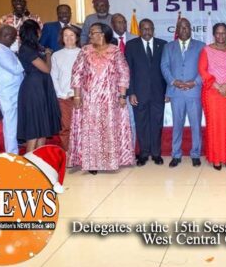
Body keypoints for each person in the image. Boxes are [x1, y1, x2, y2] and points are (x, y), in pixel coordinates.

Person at [69, 22, 134, 174]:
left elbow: (123, 73)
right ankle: (92, 163)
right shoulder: (85, 51)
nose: (90, 35)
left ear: (103, 34)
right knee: (91, 131)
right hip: (89, 98)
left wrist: (122, 95)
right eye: (90, 33)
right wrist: (77, 96)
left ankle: (110, 161)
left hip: (110, 99)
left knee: (108, 129)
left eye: (93, 32)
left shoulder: (115, 51)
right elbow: (77, 73)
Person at [161, 18, 205, 167]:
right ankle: (176, 154)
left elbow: (205, 68)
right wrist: (174, 82)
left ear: (191, 29)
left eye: (187, 27)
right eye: (181, 27)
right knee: (177, 124)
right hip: (176, 92)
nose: (184, 30)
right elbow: (164, 66)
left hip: (194, 92)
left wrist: (195, 82)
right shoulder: (169, 47)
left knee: (196, 125)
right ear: (177, 30)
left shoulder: (201, 46)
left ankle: (196, 154)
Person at [198, 22, 226, 170]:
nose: (221, 36)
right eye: (218, 32)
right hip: (211, 92)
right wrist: (217, 86)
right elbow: (202, 70)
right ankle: (216, 158)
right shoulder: (206, 50)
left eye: (223, 33)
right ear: (214, 34)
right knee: (214, 125)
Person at [125, 18, 167, 167]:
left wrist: (167, 91)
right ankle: (143, 153)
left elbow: (166, 70)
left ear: (154, 29)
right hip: (139, 93)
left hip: (158, 93)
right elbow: (127, 71)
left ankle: (156, 154)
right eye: (144, 28)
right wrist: (131, 92)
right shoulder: (131, 46)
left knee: (157, 123)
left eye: (150, 29)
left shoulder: (163, 45)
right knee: (141, 124)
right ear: (139, 30)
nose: (147, 31)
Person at [16, 20, 61, 152]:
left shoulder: (35, 47)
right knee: (34, 128)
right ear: (34, 32)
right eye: (39, 30)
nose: (41, 32)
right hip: (34, 88)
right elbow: (46, 69)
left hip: (41, 86)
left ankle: (39, 161)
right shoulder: (26, 49)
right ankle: (29, 163)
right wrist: (48, 54)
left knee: (42, 127)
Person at [0, 25, 24, 154]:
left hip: (13, 91)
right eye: (13, 38)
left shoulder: (3, 48)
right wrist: (24, 56)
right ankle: (12, 154)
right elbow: (16, 69)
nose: (14, 41)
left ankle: (13, 151)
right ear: (5, 36)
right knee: (10, 125)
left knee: (13, 124)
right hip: (7, 93)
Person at [51, 25, 81, 152]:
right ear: (62, 38)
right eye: (66, 35)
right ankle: (68, 155)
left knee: (82, 127)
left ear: (77, 37)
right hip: (64, 97)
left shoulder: (83, 53)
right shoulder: (56, 55)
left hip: (81, 96)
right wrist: (61, 93)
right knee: (66, 127)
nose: (69, 38)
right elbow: (54, 77)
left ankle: (83, 155)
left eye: (72, 35)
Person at [110, 13, 137, 147]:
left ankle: (130, 150)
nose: (122, 25)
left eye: (124, 22)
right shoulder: (106, 41)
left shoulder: (135, 39)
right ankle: (115, 150)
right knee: (113, 121)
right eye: (118, 22)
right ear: (112, 25)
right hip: (111, 88)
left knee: (131, 120)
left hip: (131, 87)